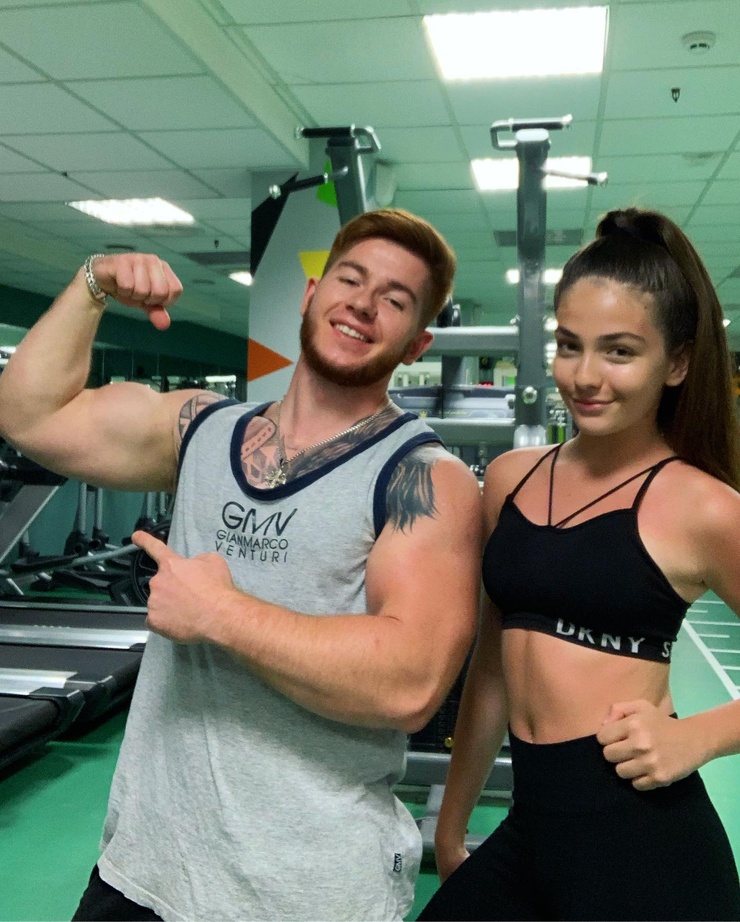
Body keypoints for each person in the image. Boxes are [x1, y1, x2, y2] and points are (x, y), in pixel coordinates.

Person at [0, 208, 482, 922]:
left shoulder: (423, 479)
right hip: (145, 870)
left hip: (305, 894)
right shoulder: (200, 428)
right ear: (311, 293)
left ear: (417, 343)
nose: (363, 303)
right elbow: (30, 416)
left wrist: (222, 614)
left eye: (395, 299)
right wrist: (93, 284)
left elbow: (411, 680)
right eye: (350, 279)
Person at [419, 207, 740, 922]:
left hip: (647, 853)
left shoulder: (703, 507)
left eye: (619, 351)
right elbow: (493, 666)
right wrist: (450, 822)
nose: (585, 376)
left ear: (677, 363)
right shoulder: (511, 479)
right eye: (569, 345)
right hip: (531, 833)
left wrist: (698, 737)